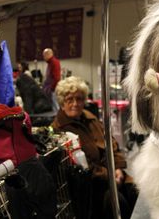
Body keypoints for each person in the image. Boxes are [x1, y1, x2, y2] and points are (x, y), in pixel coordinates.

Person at [51, 76, 137, 219]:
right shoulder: (59, 129)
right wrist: (109, 175)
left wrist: (118, 168)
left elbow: (111, 143)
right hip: (92, 185)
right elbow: (81, 166)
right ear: (62, 102)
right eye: (69, 99)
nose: (75, 104)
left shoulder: (89, 117)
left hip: (111, 173)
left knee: (135, 191)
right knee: (116, 203)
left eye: (79, 99)